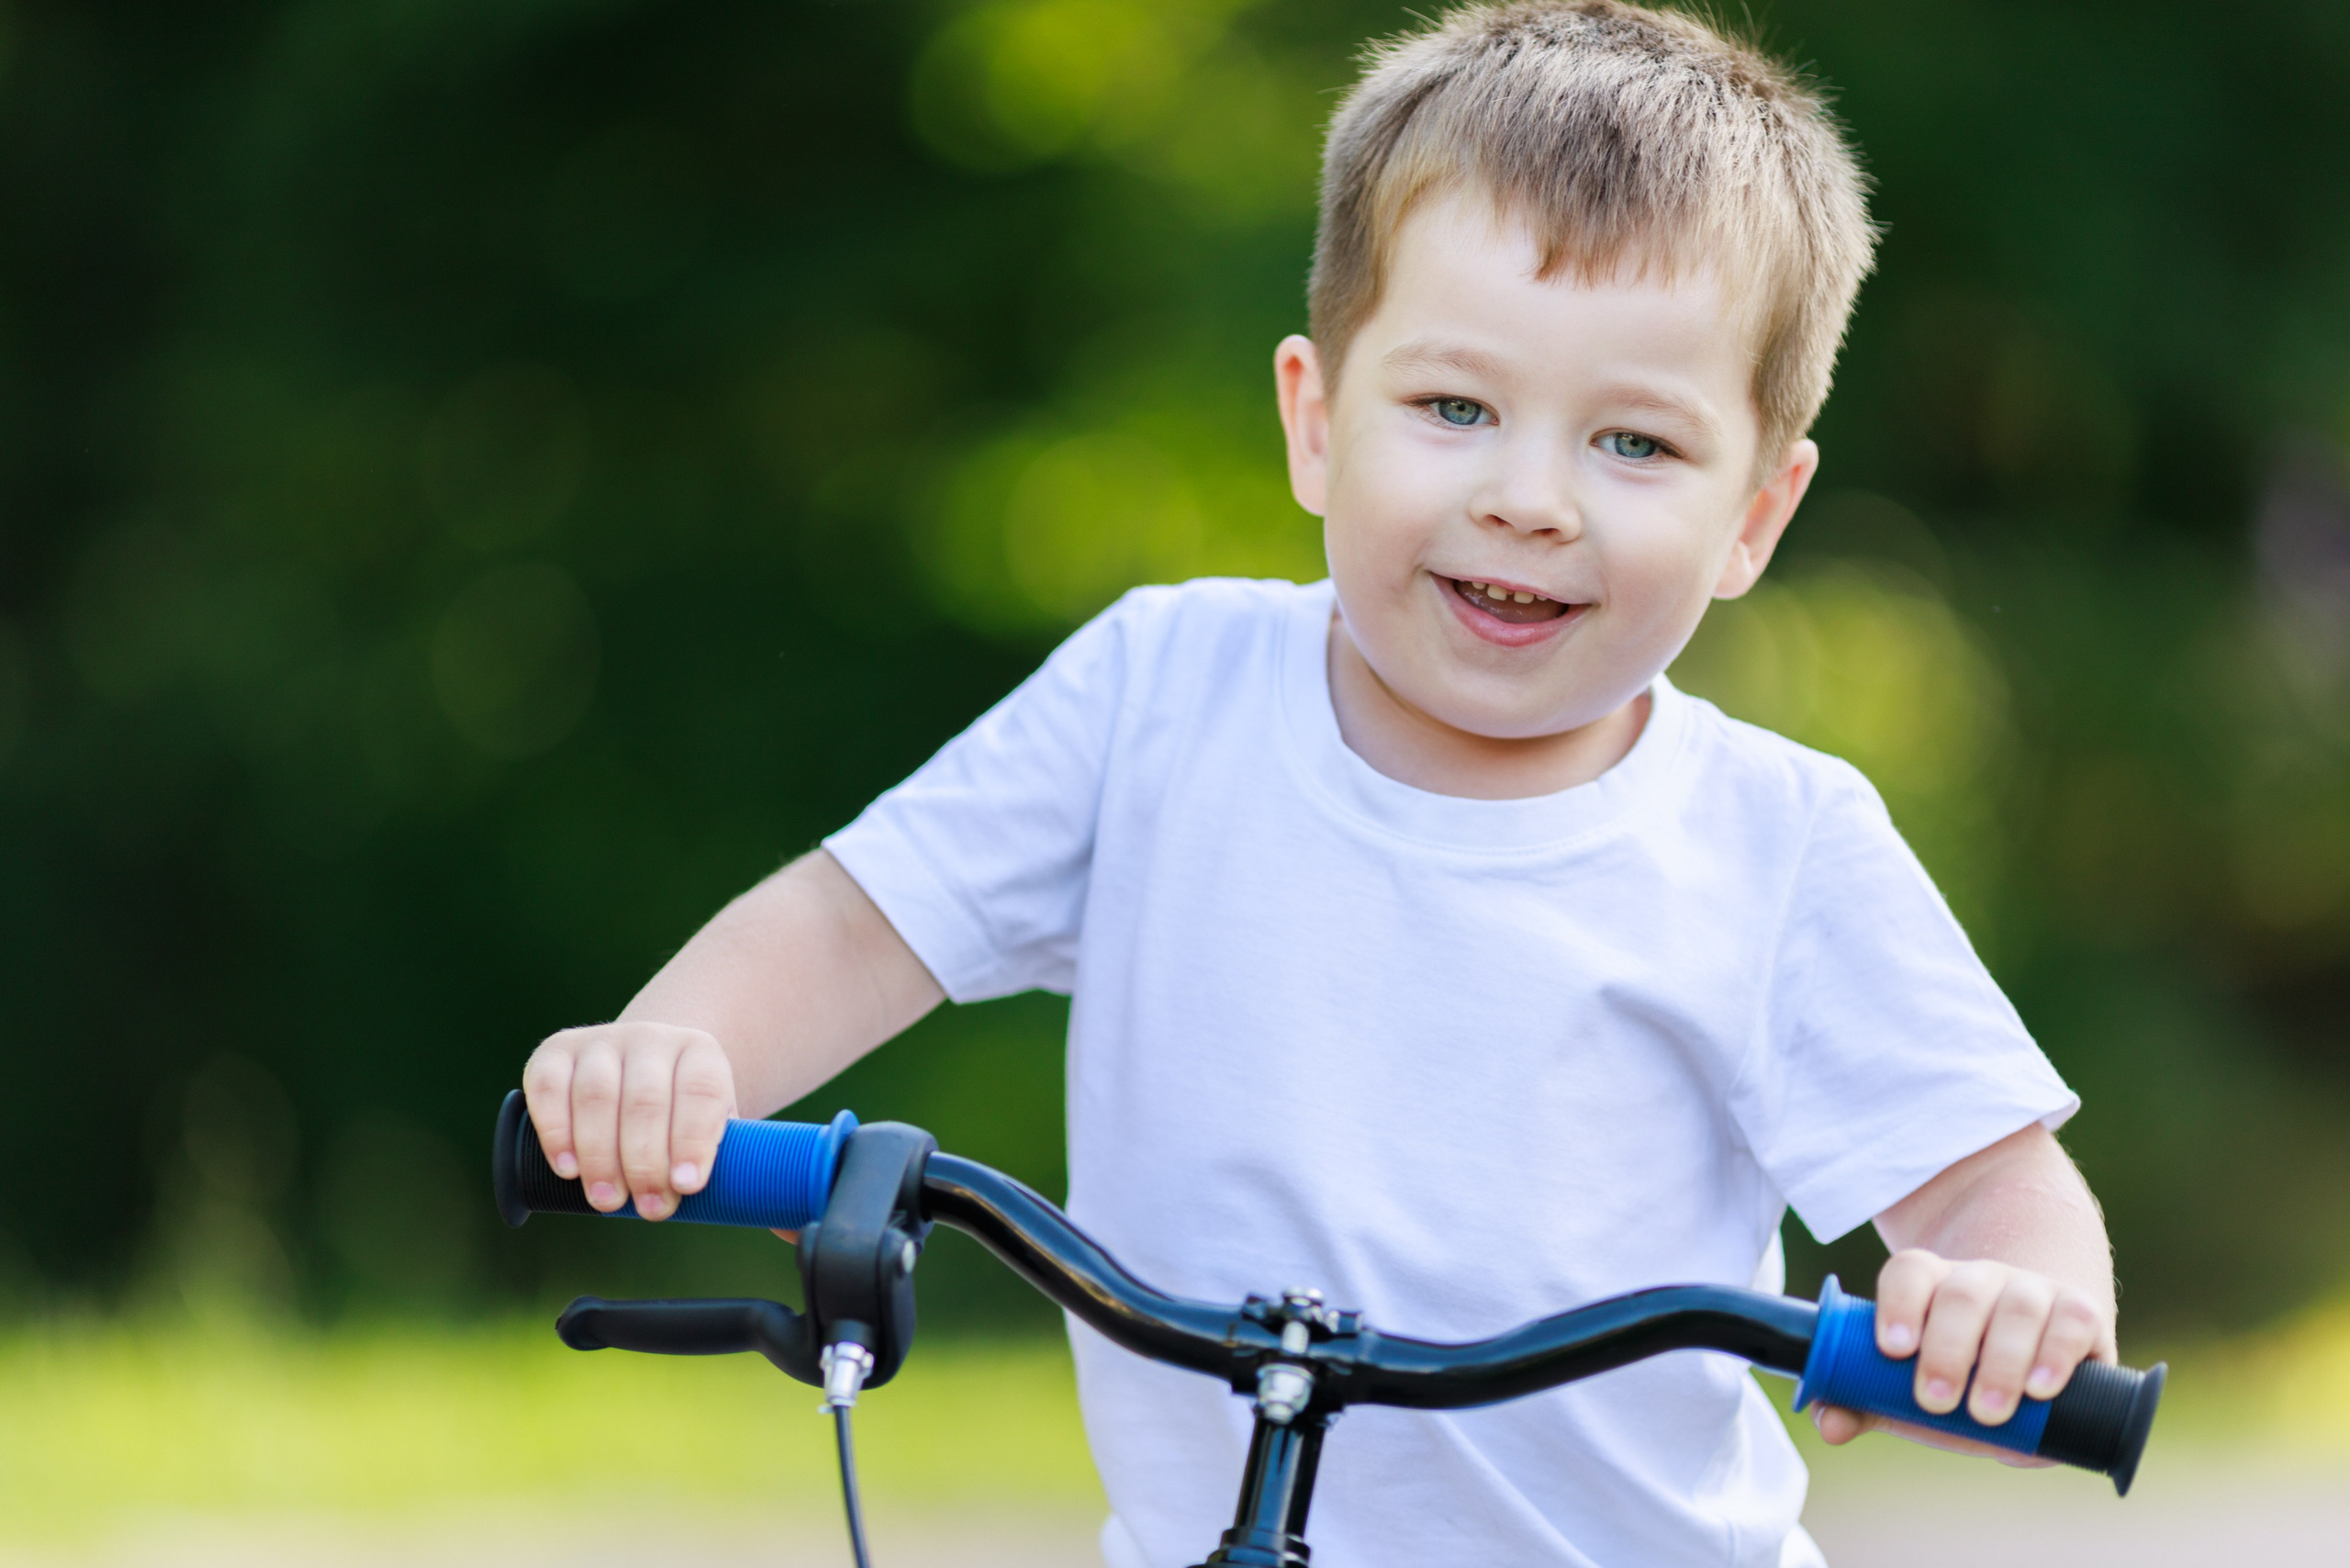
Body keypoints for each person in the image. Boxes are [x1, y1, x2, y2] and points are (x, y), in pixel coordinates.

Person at [516, 4, 2117, 1563]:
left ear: (1757, 516)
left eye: (1634, 445)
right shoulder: (1162, 696)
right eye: (1454, 408)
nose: (1530, 498)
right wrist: (674, 1060)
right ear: (1314, 421)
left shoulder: (1775, 844)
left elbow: (1990, 1186)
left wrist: (2007, 1301)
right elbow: (859, 926)